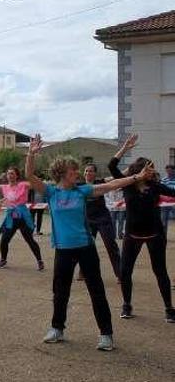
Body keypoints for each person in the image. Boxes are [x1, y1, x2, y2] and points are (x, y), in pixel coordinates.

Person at [25, 135, 150, 350]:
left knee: (96, 290)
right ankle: (57, 328)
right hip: (63, 250)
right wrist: (31, 154)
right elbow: (29, 175)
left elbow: (112, 185)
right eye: (74, 170)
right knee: (60, 291)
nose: (77, 173)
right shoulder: (52, 192)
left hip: (85, 247)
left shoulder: (82, 191)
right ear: (63, 173)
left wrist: (136, 177)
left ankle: (106, 334)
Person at [108, 135, 175, 322]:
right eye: (149, 168)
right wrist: (125, 148)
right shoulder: (127, 185)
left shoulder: (155, 186)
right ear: (140, 169)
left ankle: (169, 308)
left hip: (155, 234)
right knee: (125, 271)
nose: (153, 171)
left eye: (153, 168)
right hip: (132, 235)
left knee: (160, 271)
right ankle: (127, 305)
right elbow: (111, 166)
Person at [0, 167, 45, 270]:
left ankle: (40, 261)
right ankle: (3, 260)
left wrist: (33, 177)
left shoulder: (23, 185)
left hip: (23, 216)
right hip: (11, 217)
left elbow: (36, 184)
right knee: (4, 240)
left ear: (17, 175)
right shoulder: (5, 187)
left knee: (30, 240)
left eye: (12, 173)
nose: (10, 176)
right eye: (8, 174)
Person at [78, 163, 121, 280]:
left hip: (103, 219)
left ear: (95, 173)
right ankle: (83, 271)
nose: (88, 173)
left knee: (111, 245)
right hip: (88, 220)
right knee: (85, 246)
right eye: (86, 171)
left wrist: (132, 171)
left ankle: (120, 274)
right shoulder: (79, 185)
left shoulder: (100, 182)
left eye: (91, 171)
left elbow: (116, 177)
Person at [161, 164, 175, 239]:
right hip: (165, 204)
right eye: (168, 170)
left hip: (174, 203)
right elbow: (161, 191)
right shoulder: (164, 180)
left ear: (174, 170)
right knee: (163, 222)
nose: (169, 172)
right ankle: (163, 237)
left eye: (170, 170)